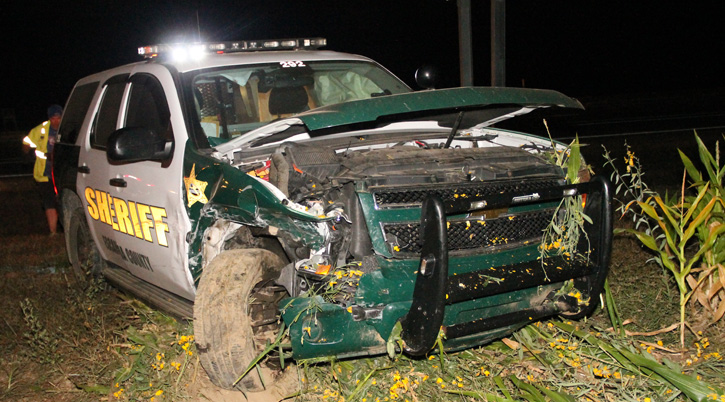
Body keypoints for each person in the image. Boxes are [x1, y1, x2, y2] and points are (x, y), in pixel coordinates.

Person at [22, 105, 62, 235]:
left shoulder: (67, 129)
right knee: (49, 202)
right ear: (49, 118)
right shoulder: (41, 130)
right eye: (53, 118)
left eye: (58, 118)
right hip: (44, 173)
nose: (56, 121)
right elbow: (26, 142)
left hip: (62, 172)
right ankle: (53, 232)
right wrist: (28, 153)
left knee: (62, 201)